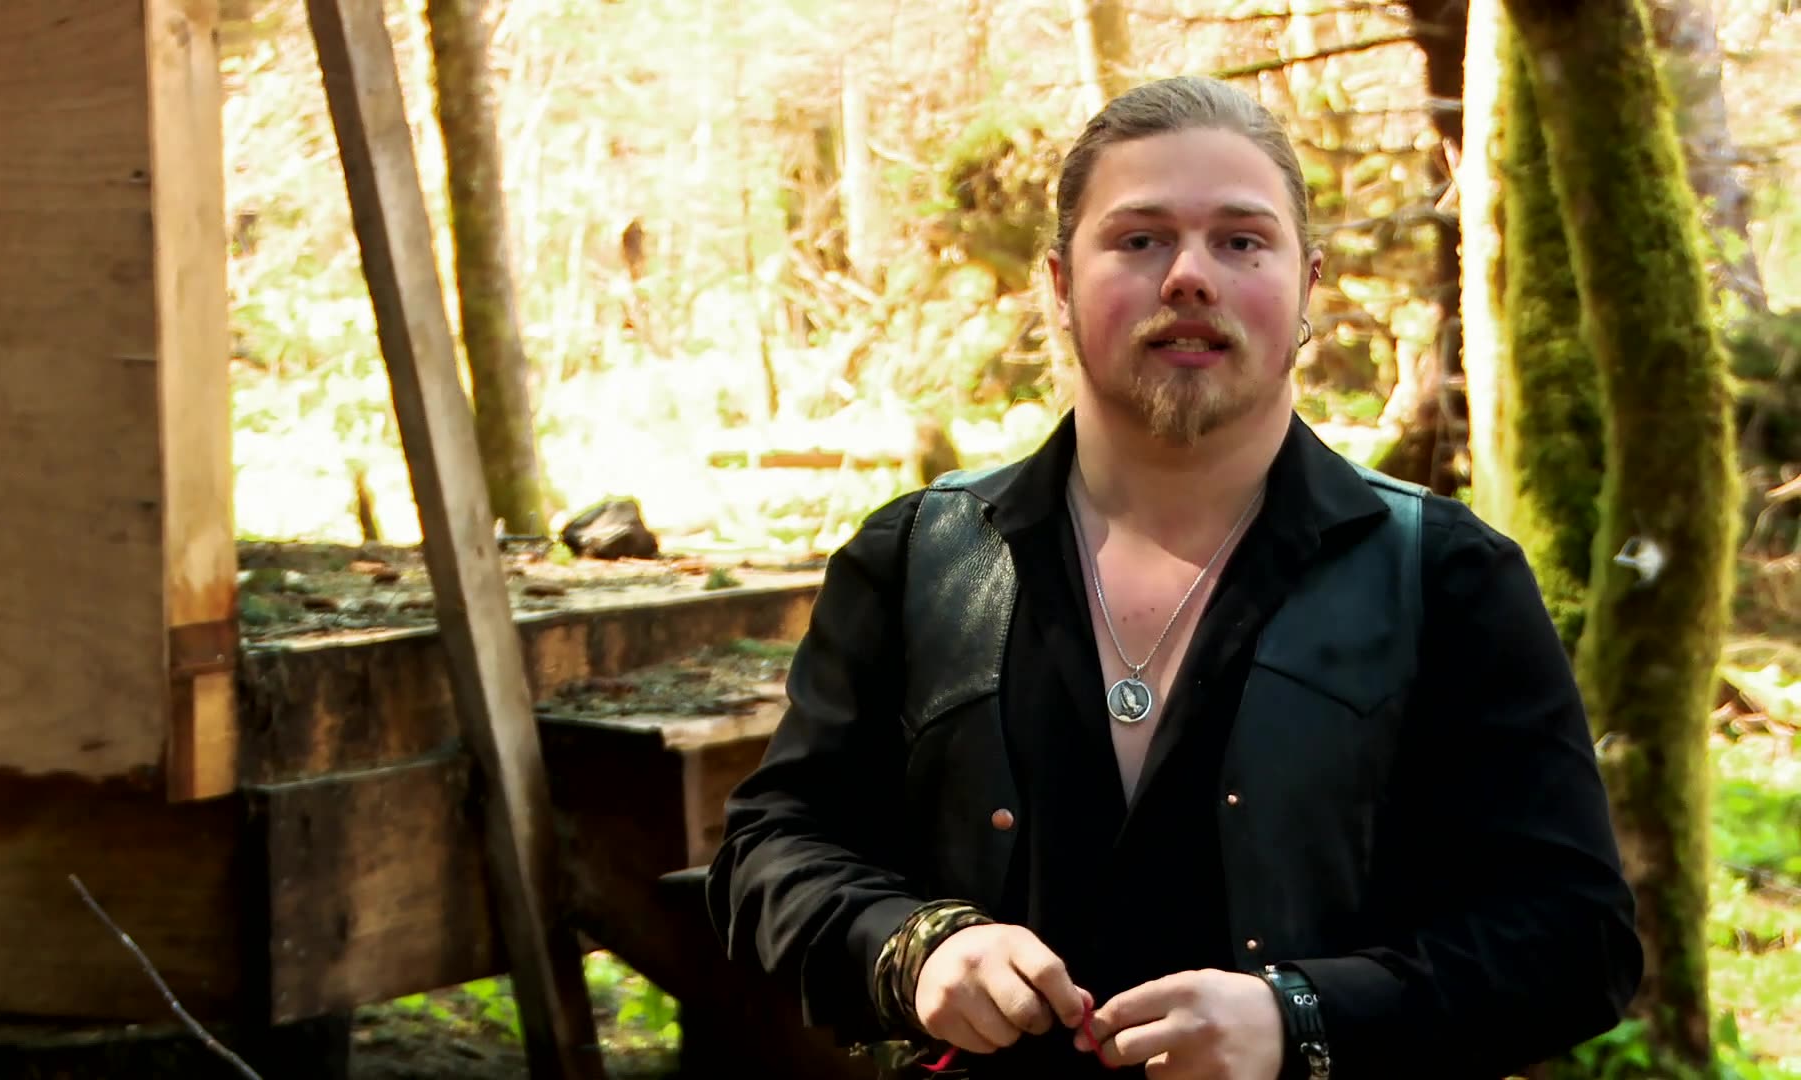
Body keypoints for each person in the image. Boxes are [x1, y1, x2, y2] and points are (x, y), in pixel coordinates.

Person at [704, 76, 1642, 1079]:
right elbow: (770, 848)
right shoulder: (919, 560)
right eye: (1140, 238)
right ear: (1058, 284)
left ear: (1307, 286)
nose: (1190, 277)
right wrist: (915, 950)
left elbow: (1575, 936)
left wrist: (1303, 1018)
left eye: (1241, 241)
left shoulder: (1448, 577)